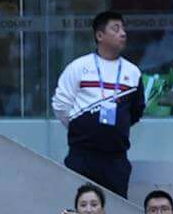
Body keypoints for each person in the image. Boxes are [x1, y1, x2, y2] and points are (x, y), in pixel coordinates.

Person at [51, 12, 145, 197]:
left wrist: (117, 125)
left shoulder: (132, 72)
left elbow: (136, 111)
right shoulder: (78, 67)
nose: (123, 33)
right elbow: (61, 104)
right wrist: (81, 126)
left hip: (115, 158)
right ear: (99, 35)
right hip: (82, 156)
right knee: (80, 213)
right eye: (116, 29)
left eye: (123, 28)